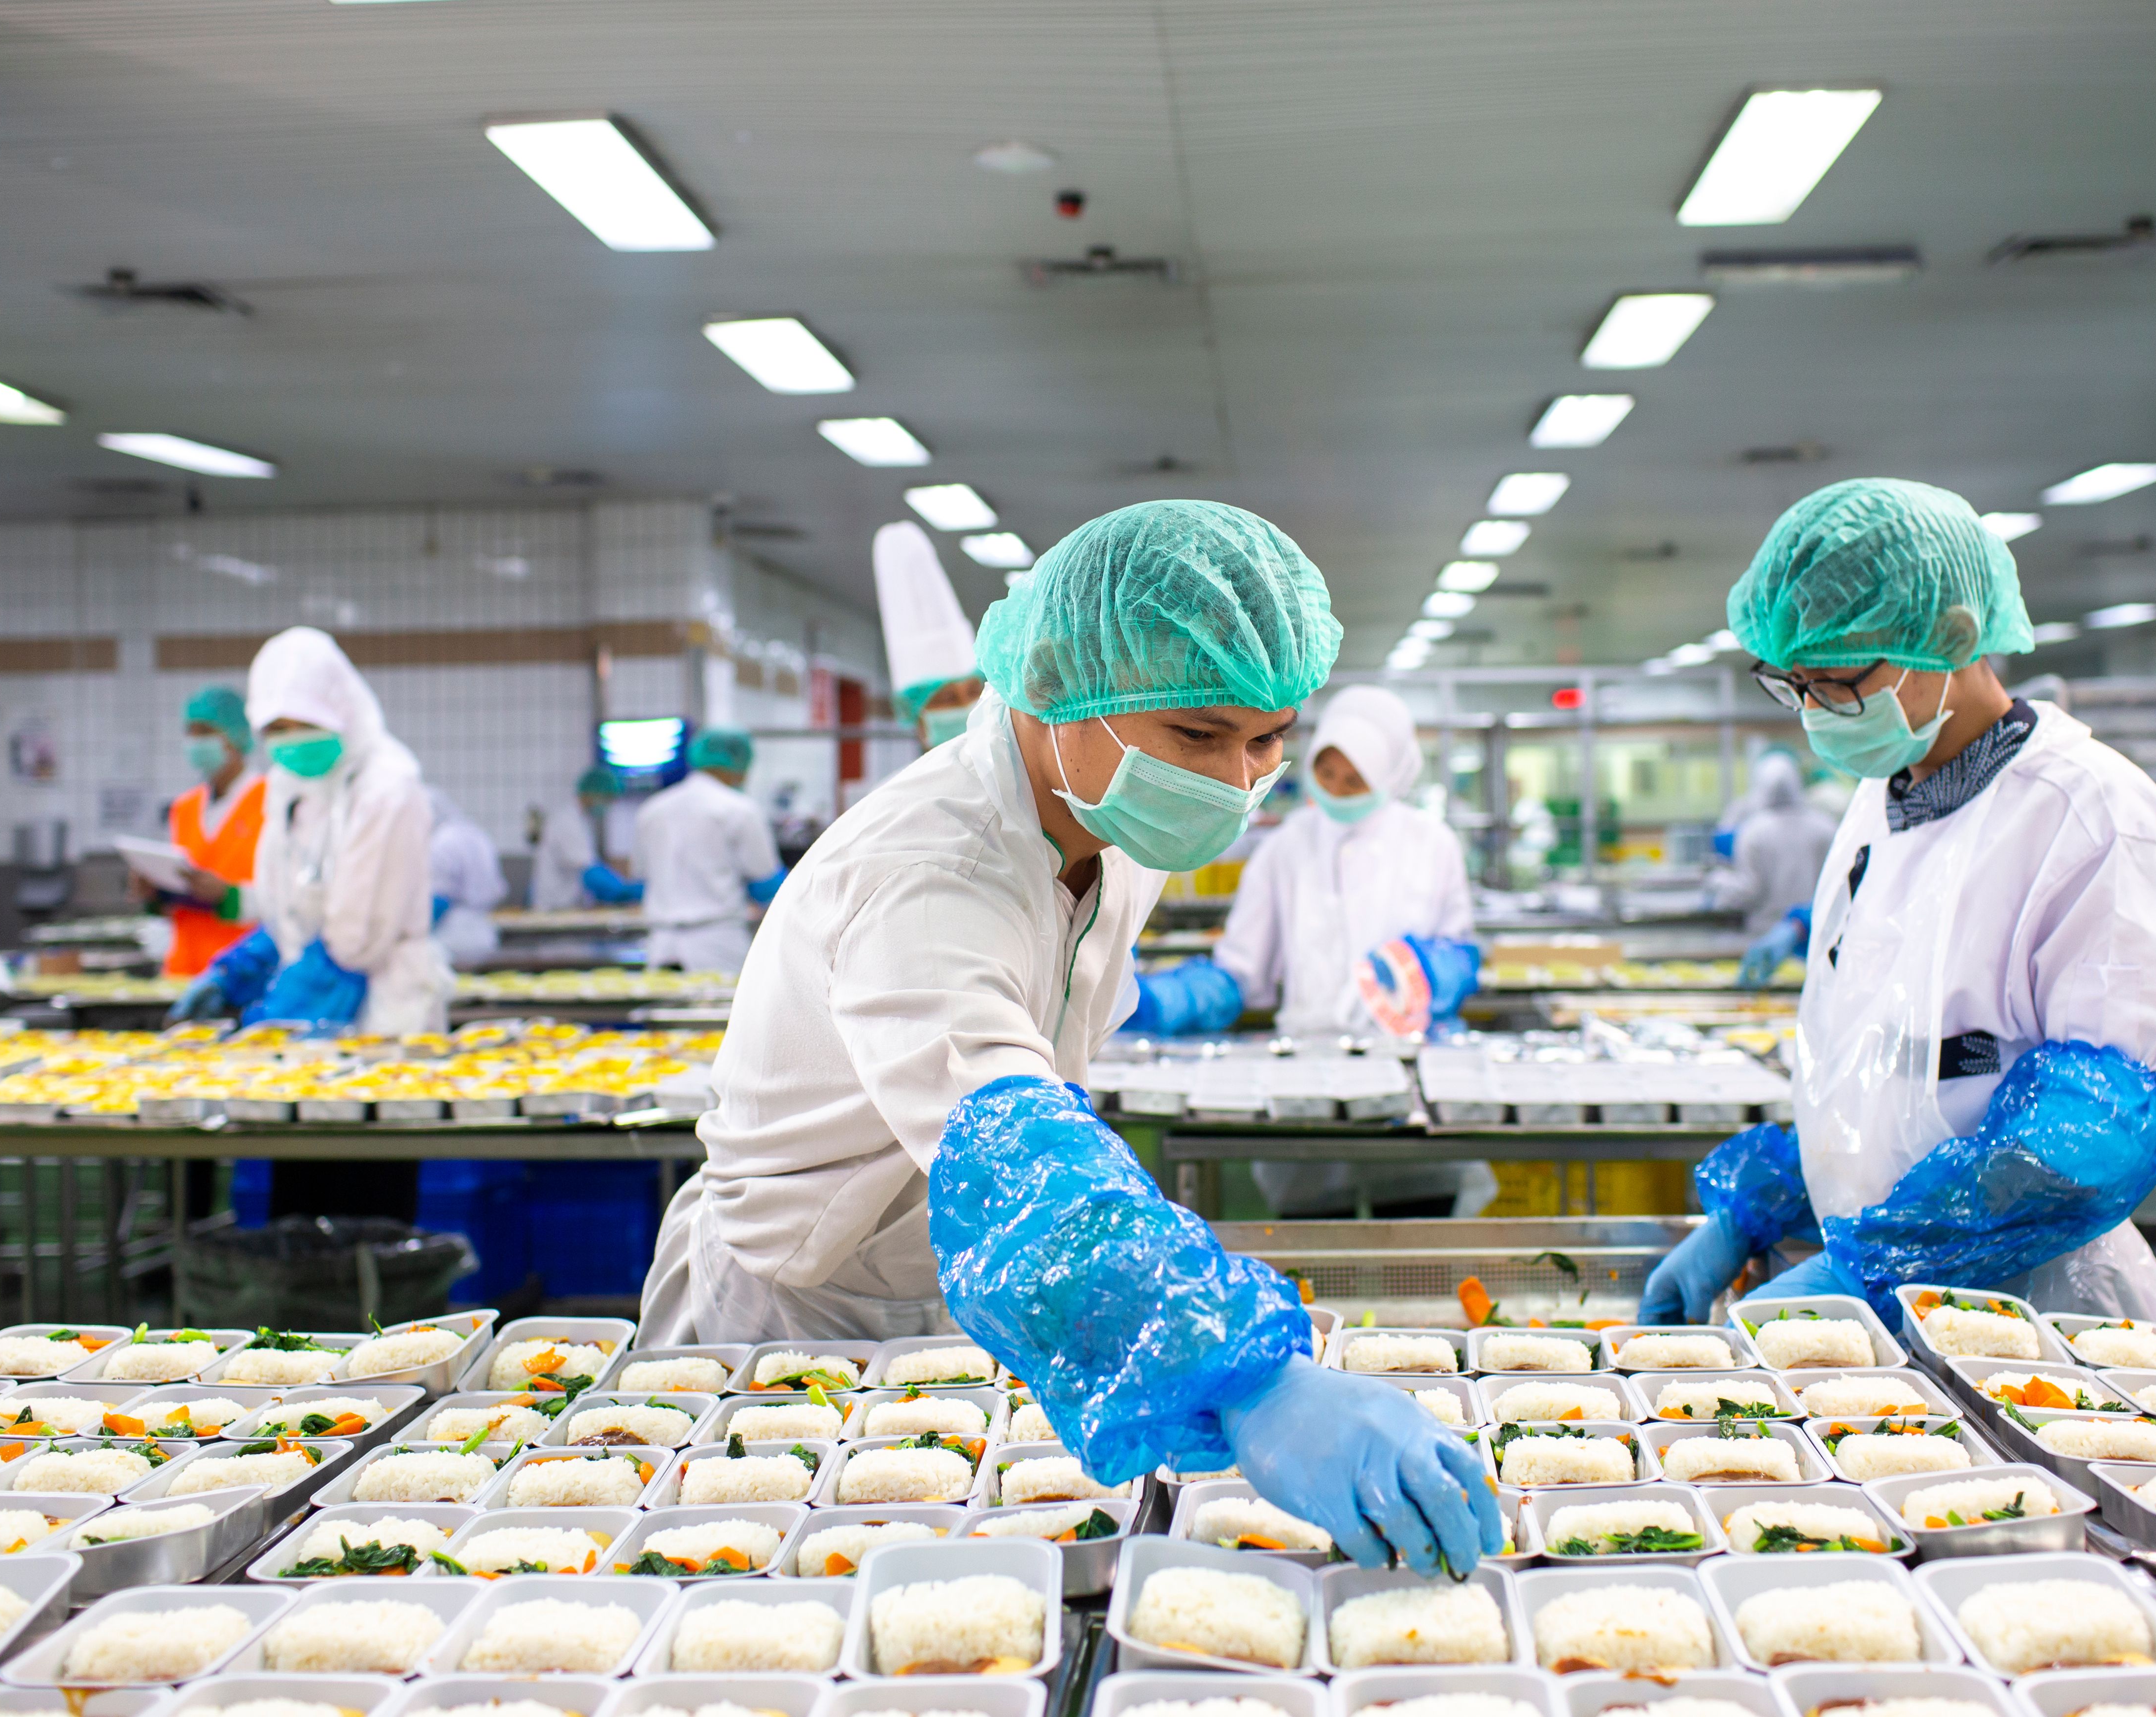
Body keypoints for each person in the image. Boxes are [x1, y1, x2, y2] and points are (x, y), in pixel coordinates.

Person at [641, 499, 1497, 1574]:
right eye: (1198, 736)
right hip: (805, 1311)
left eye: (1270, 737)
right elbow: (1012, 1157)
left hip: (957, 1287)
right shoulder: (933, 868)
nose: (1237, 781)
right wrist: (1248, 1376)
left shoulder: (1113, 815)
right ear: (1059, 693)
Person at [1641, 478, 2156, 1329]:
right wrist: (1753, 1211)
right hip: (1880, 1312)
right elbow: (1883, 1080)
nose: (1814, 709)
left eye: (1836, 679)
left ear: (1949, 636)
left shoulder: (2088, 813)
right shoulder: (1879, 799)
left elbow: (2087, 1136)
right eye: (1792, 681)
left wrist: (1876, 1266)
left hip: (2033, 1324)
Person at [1182, 684, 1494, 1217]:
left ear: (1390, 776)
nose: (1338, 791)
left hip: (1407, 1069)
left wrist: (1437, 971)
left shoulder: (1431, 844)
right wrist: (1180, 998)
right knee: (1313, 1229)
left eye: (1356, 781)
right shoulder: (1285, 848)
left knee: (1417, 1225)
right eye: (1327, 775)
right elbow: (1242, 970)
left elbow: (1458, 948)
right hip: (1309, 1069)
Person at [167, 626, 451, 1037]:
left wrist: (274, 1017)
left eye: (305, 723)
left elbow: (356, 935)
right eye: (276, 729)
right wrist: (239, 969)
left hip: (383, 1009)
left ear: (341, 711)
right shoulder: (291, 787)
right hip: (315, 995)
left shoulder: (387, 788)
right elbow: (290, 908)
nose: (290, 741)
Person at [634, 726, 784, 973]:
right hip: (718, 942)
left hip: (661, 943)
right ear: (738, 764)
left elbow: (641, 874)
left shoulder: (652, 810)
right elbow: (766, 884)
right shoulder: (739, 810)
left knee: (665, 1011)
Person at [153, 685, 265, 980]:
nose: (196, 742)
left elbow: (289, 900)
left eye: (206, 732)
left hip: (246, 972)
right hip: (185, 971)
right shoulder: (185, 808)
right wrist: (155, 894)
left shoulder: (272, 801)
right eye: (191, 732)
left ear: (237, 737)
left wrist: (229, 896)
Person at [1711, 751, 1837, 987]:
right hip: (1817, 935)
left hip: (1765, 937)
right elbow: (1839, 887)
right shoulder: (1825, 827)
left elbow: (1749, 891)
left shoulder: (1753, 831)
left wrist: (1718, 882)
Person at [874, 519, 984, 750]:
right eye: (948, 699)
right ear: (919, 721)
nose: (967, 707)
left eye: (974, 692)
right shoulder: (898, 788)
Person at [530, 765, 631, 911]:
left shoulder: (581, 821)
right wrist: (624, 890)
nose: (608, 805)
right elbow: (590, 871)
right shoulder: (568, 823)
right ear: (592, 794)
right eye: (607, 799)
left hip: (566, 906)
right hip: (554, 908)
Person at [428, 788, 509, 965]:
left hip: (452, 937)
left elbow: (440, 898)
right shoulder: (477, 835)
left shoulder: (441, 842)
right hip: (484, 933)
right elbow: (498, 888)